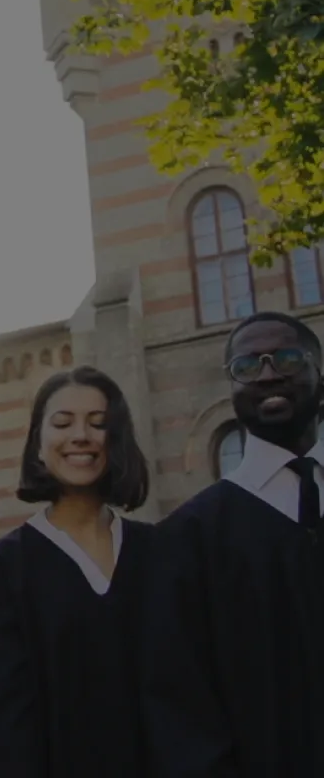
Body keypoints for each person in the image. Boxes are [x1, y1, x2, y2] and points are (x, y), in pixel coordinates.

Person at [142, 311, 324, 777]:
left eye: (286, 357)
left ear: (318, 369)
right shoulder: (190, 540)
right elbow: (182, 707)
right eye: (246, 366)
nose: (267, 374)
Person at [0, 366, 152, 778]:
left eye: (98, 423)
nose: (81, 436)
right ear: (38, 444)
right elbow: (4, 727)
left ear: (116, 438)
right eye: (62, 423)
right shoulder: (0, 573)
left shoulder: (161, 553)